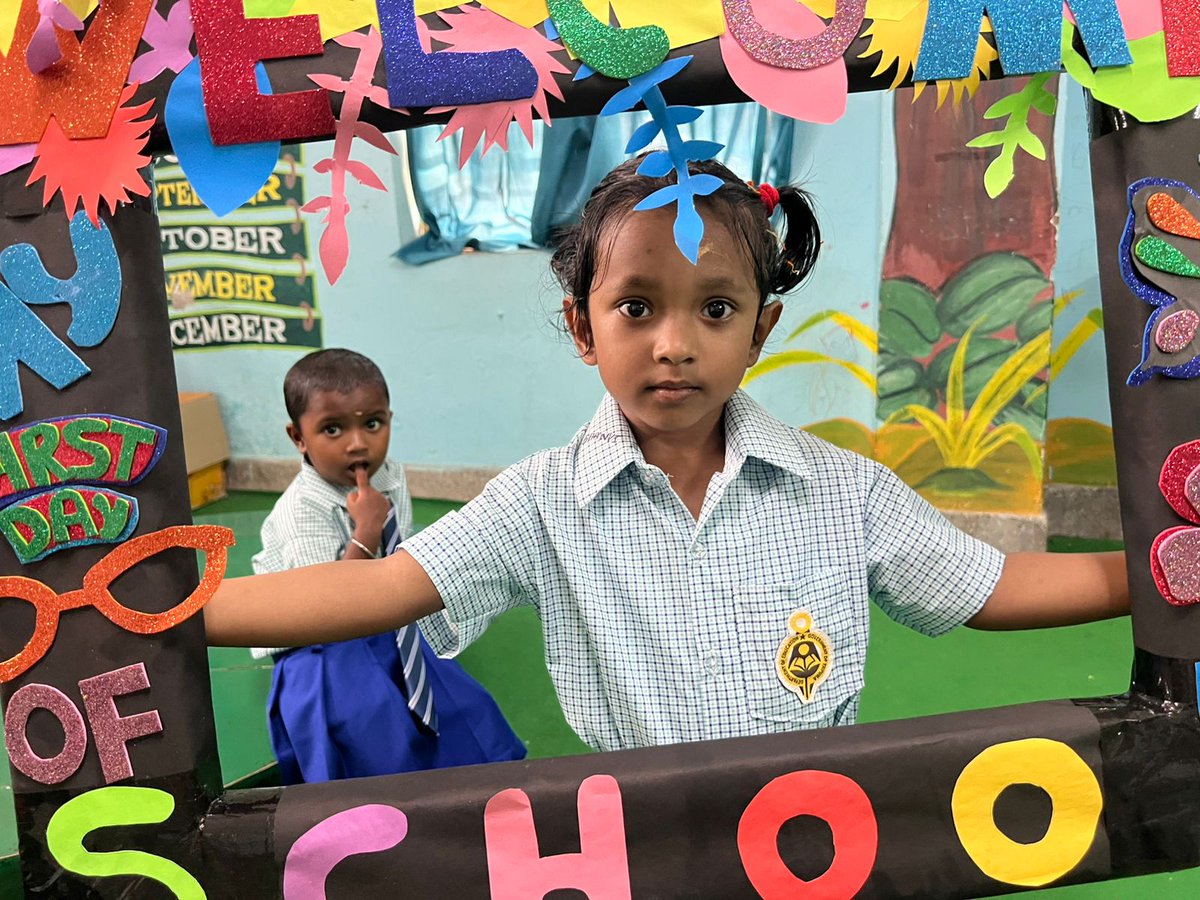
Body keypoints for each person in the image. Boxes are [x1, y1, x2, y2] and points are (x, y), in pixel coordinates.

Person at [207, 159, 1129, 752]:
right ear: (583, 326)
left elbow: (990, 587)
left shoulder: (845, 492)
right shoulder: (542, 500)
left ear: (761, 330)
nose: (674, 344)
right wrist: (169, 615)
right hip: (643, 848)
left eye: (716, 309)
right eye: (637, 307)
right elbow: (379, 588)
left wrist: (1147, 575)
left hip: (819, 836)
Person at [251, 348, 525, 782]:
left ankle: (477, 788)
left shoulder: (390, 476)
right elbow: (319, 607)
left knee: (465, 711)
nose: (358, 443)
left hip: (385, 624)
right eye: (333, 429)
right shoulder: (300, 512)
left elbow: (403, 558)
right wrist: (365, 534)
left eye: (372, 423)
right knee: (370, 732)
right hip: (320, 649)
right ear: (298, 438)